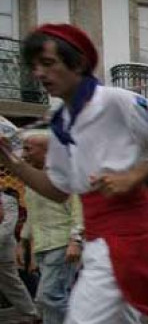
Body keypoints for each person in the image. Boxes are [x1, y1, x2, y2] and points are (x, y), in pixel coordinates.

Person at [1, 24, 148, 323]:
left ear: (77, 63)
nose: (39, 74)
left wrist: (132, 176)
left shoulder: (118, 101)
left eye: (48, 64)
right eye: (35, 66)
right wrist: (15, 164)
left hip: (130, 233)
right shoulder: (61, 122)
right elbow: (58, 189)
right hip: (98, 237)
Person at [15, 132, 83, 324]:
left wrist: (75, 241)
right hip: (43, 246)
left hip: (61, 244)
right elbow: (33, 214)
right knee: (55, 296)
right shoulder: (34, 179)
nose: (24, 154)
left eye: (29, 149)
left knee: (49, 297)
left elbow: (79, 211)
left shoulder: (64, 176)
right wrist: (23, 242)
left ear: (48, 151)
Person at [1, 186, 40, 322]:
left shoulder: (8, 201)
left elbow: (7, 228)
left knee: (12, 284)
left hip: (2, 251)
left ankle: (31, 312)